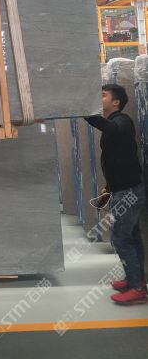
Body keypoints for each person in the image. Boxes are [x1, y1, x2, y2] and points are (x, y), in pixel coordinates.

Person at [85, 83, 146, 305]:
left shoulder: (122, 121)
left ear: (116, 102)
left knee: (121, 238)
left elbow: (112, 130)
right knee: (132, 237)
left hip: (128, 192)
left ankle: (137, 287)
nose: (99, 98)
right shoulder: (115, 123)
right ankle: (136, 281)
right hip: (124, 189)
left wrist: (84, 110)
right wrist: (108, 188)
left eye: (103, 95)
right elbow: (116, 159)